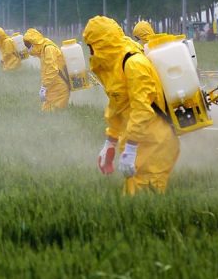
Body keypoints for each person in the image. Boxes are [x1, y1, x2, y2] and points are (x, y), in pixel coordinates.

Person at [83, 16, 180, 194]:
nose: (89, 52)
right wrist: (110, 141)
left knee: (145, 200)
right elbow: (117, 105)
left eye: (90, 46)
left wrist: (131, 147)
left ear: (102, 44)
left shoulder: (133, 64)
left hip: (154, 144)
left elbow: (142, 109)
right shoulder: (115, 65)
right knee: (133, 198)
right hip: (141, 142)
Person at [23, 28, 69, 111]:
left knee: (53, 113)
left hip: (59, 87)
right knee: (46, 112)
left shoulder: (48, 48)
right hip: (53, 85)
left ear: (34, 42)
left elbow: (52, 69)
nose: (28, 49)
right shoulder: (43, 49)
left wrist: (44, 86)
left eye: (28, 46)